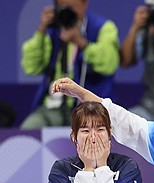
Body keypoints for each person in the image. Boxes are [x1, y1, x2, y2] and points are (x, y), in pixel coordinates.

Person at [20, 0, 120, 129]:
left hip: (90, 109)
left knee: (92, 133)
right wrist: (42, 30)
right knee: (29, 128)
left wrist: (81, 43)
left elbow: (109, 64)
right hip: (53, 108)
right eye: (63, 7)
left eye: (72, 7)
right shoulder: (52, 30)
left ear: (84, 4)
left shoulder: (102, 27)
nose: (68, 10)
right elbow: (31, 67)